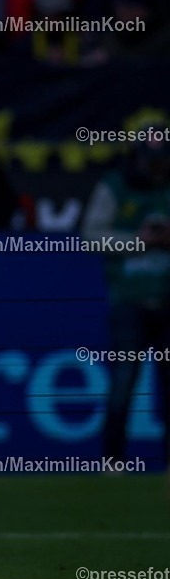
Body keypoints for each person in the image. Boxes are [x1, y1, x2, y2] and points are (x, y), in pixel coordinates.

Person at [81, 133, 170, 465]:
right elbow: (90, 235)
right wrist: (137, 240)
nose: (158, 169)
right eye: (153, 163)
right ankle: (113, 464)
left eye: (164, 162)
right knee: (123, 384)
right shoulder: (116, 186)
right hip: (129, 303)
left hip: (166, 299)